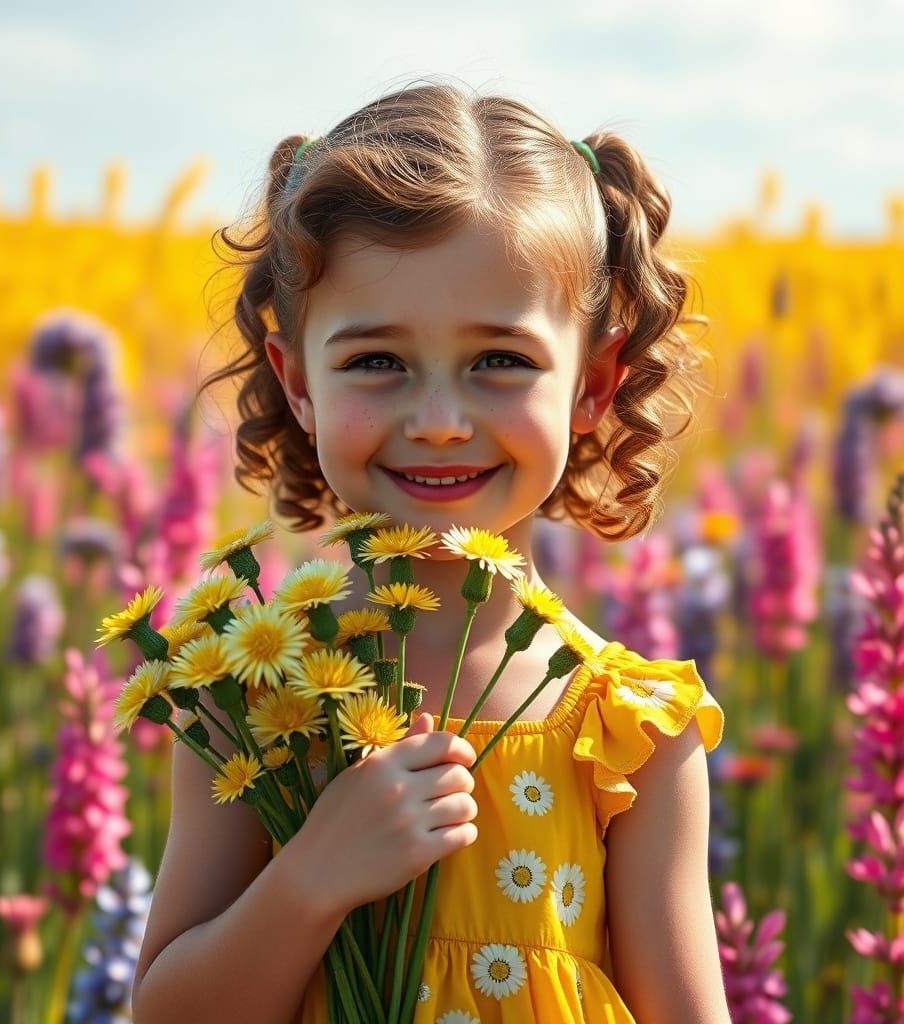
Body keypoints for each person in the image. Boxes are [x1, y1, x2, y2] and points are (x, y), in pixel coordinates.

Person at [132, 77, 730, 1023]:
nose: (442, 423)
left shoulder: (629, 731)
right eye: (377, 362)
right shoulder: (248, 697)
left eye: (502, 360)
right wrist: (313, 876)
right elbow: (171, 1012)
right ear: (298, 384)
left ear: (593, 383)